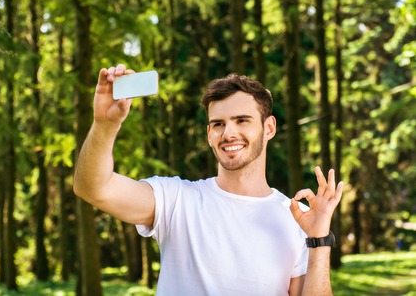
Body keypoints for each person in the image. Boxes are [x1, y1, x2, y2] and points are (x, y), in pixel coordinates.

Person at [73, 64, 344, 296]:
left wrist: (318, 239)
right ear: (209, 133)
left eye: (242, 120)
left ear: (269, 128)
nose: (229, 133)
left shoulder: (298, 219)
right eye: (218, 124)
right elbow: (93, 188)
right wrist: (105, 124)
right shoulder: (176, 200)